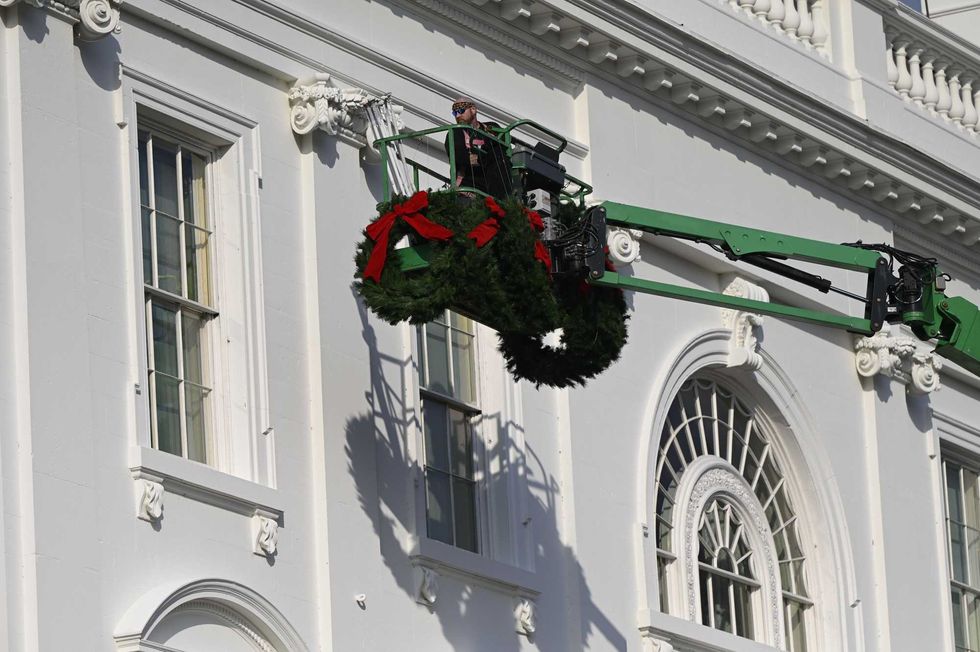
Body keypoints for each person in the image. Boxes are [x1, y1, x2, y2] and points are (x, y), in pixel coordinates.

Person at [445, 97, 513, 199]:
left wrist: (479, 157)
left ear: (473, 110)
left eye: (461, 111)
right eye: (454, 113)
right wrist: (485, 157)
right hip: (469, 187)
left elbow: (501, 152)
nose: (458, 116)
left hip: (493, 188)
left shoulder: (492, 128)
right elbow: (460, 159)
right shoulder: (456, 132)